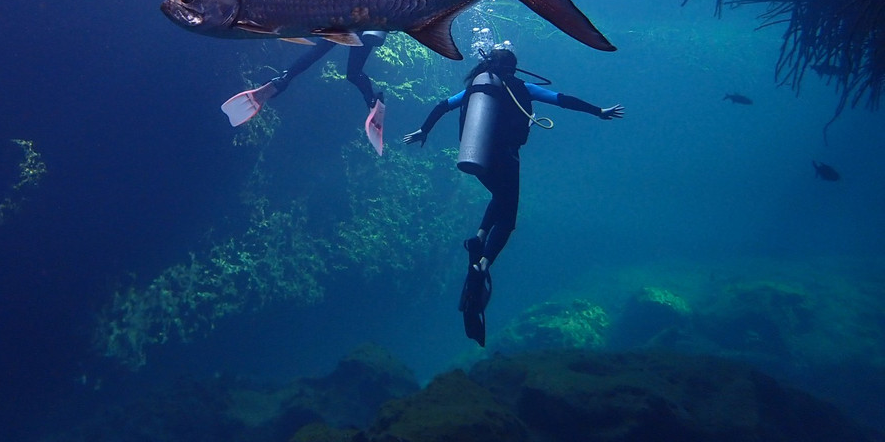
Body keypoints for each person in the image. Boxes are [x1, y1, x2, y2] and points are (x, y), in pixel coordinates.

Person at [403, 46, 623, 346]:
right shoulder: (521, 86)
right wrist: (598, 111)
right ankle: (483, 263)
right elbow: (562, 100)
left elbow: (443, 105)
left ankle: (479, 236)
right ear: (514, 68)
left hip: (475, 157)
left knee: (499, 196)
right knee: (508, 221)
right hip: (506, 157)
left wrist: (423, 130)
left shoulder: (476, 86)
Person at [221, 30, 388, 153]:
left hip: (346, 21)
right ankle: (373, 100)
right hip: (364, 26)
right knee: (353, 73)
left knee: (315, 52)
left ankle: (282, 79)